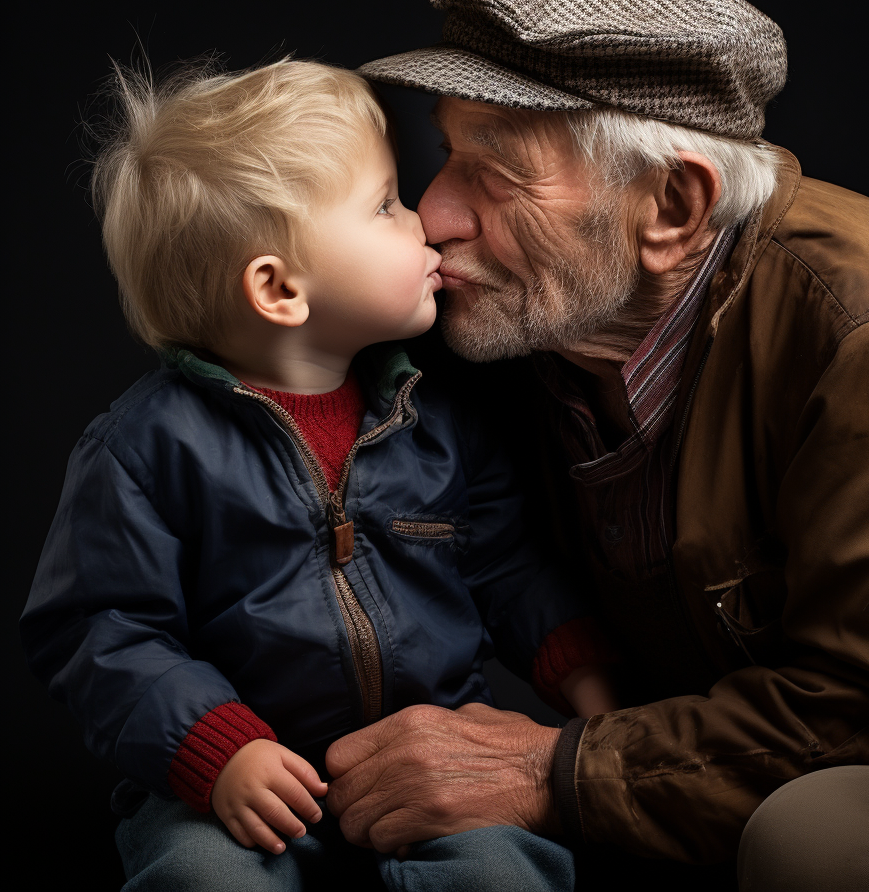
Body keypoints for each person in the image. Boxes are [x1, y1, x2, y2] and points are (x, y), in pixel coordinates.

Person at [323, 0, 869, 890]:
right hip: (709, 742)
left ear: (673, 207)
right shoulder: (535, 313)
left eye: (496, 173)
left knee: (821, 845)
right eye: (447, 153)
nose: (434, 214)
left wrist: (551, 770)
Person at [20, 58, 618, 891]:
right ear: (279, 288)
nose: (425, 223)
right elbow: (101, 628)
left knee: (501, 876)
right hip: (237, 781)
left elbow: (506, 566)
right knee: (200, 878)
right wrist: (215, 749)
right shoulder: (145, 447)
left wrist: (585, 675)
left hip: (433, 756)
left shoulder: (437, 414)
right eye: (384, 206)